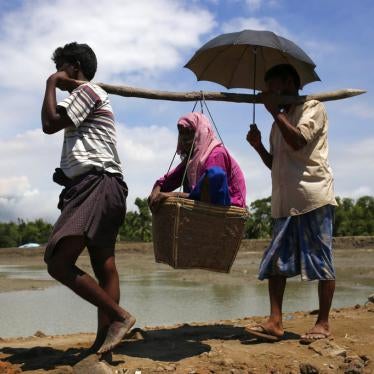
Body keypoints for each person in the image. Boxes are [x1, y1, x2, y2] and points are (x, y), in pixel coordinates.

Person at [41, 42, 135, 355]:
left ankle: (120, 318)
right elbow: (86, 146)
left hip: (97, 184)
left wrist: (51, 84)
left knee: (58, 262)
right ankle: (103, 344)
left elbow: (49, 124)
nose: (56, 72)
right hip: (104, 183)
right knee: (103, 264)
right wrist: (67, 175)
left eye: (61, 66)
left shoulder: (88, 92)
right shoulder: (89, 96)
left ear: (74, 67)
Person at [246, 64, 337, 343]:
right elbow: (276, 164)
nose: (268, 94)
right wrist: (259, 145)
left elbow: (298, 140)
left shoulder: (313, 108)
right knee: (276, 261)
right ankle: (275, 321)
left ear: (287, 82)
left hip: (312, 196)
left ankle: (322, 323)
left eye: (272, 87)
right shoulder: (278, 123)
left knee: (321, 260)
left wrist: (274, 111)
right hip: (284, 202)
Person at [148, 112, 246, 211]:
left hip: (228, 204)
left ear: (201, 132)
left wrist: (173, 195)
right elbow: (167, 180)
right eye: (182, 133)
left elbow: (212, 190)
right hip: (204, 203)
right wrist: (156, 191)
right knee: (184, 174)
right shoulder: (192, 160)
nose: (184, 138)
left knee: (214, 174)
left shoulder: (216, 154)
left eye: (189, 132)